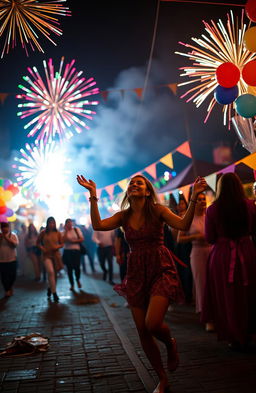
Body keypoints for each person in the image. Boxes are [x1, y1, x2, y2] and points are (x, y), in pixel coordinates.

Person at [77, 173, 206, 393]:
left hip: (160, 268)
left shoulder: (159, 210)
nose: (135, 184)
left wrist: (193, 197)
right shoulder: (123, 216)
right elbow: (98, 225)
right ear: (128, 192)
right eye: (131, 183)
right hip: (136, 272)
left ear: (147, 191)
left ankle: (170, 343)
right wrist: (92, 195)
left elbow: (183, 225)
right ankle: (162, 378)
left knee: (152, 324)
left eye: (140, 183)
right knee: (142, 331)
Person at [201, 173, 256, 350]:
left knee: (227, 297)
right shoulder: (250, 205)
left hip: (222, 257)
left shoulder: (212, 209)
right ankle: (248, 333)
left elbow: (210, 237)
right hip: (247, 253)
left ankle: (233, 335)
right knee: (248, 295)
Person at [177, 193, 211, 325]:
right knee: (201, 283)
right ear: (194, 202)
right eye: (199, 199)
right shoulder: (189, 218)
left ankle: (214, 312)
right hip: (197, 252)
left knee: (212, 282)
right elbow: (180, 238)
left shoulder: (209, 216)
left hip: (211, 250)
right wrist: (195, 236)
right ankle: (205, 315)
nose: (202, 202)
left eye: (204, 199)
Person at [37, 217, 64, 303]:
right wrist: (42, 248)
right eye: (50, 223)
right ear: (47, 224)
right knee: (51, 272)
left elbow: (62, 243)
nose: (52, 224)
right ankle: (54, 293)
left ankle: (50, 288)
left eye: (53, 223)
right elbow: (37, 243)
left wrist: (57, 246)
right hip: (46, 255)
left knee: (54, 275)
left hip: (56, 255)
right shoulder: (43, 233)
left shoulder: (58, 233)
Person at [172, 198, 193, 304]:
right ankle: (183, 294)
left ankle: (188, 294)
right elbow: (174, 236)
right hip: (178, 247)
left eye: (182, 203)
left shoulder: (187, 216)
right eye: (179, 204)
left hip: (187, 247)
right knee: (180, 271)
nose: (181, 205)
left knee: (187, 270)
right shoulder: (174, 217)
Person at [62, 218, 84, 291]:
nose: (69, 225)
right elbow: (63, 240)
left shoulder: (76, 230)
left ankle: (77, 280)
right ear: (65, 224)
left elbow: (81, 238)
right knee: (69, 269)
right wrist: (66, 231)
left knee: (77, 267)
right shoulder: (63, 232)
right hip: (67, 251)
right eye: (68, 223)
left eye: (70, 223)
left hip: (76, 251)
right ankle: (72, 284)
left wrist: (73, 241)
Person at [0, 222, 19, 297]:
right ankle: (7, 290)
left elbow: (15, 245)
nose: (4, 229)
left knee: (13, 275)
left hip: (12, 259)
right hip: (2, 260)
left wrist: (6, 238)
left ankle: (10, 286)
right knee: (4, 276)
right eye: (3, 227)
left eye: (6, 227)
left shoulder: (13, 235)